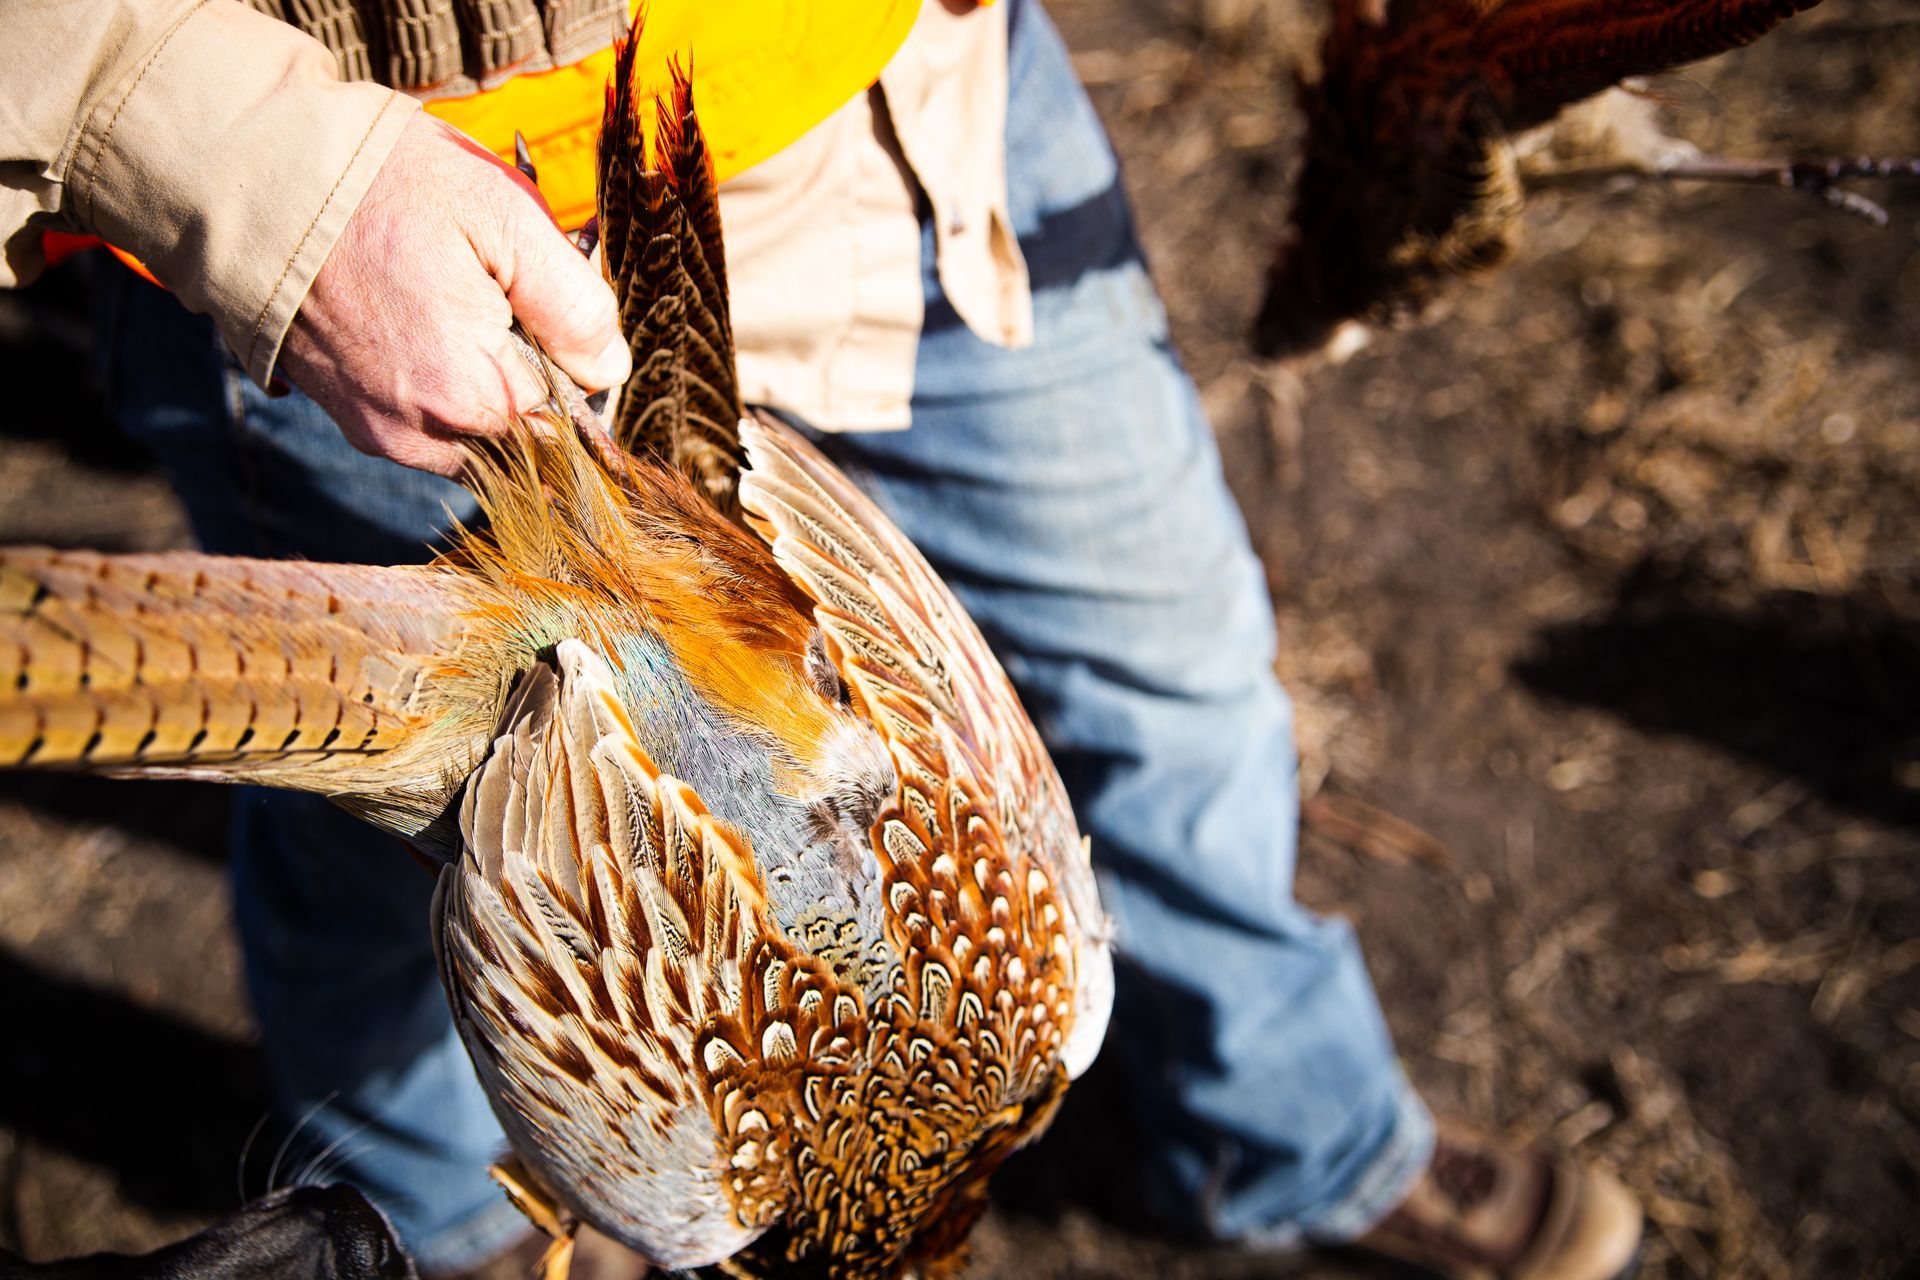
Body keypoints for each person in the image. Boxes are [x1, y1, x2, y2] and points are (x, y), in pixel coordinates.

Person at [1, 2, 1643, 1277]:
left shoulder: (1020, 993)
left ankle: (1298, 1132)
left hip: (901, 109)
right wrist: (244, 166)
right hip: (373, 214)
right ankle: (445, 1227)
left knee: (1176, 662)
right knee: (375, 887)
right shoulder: (726, 1157)